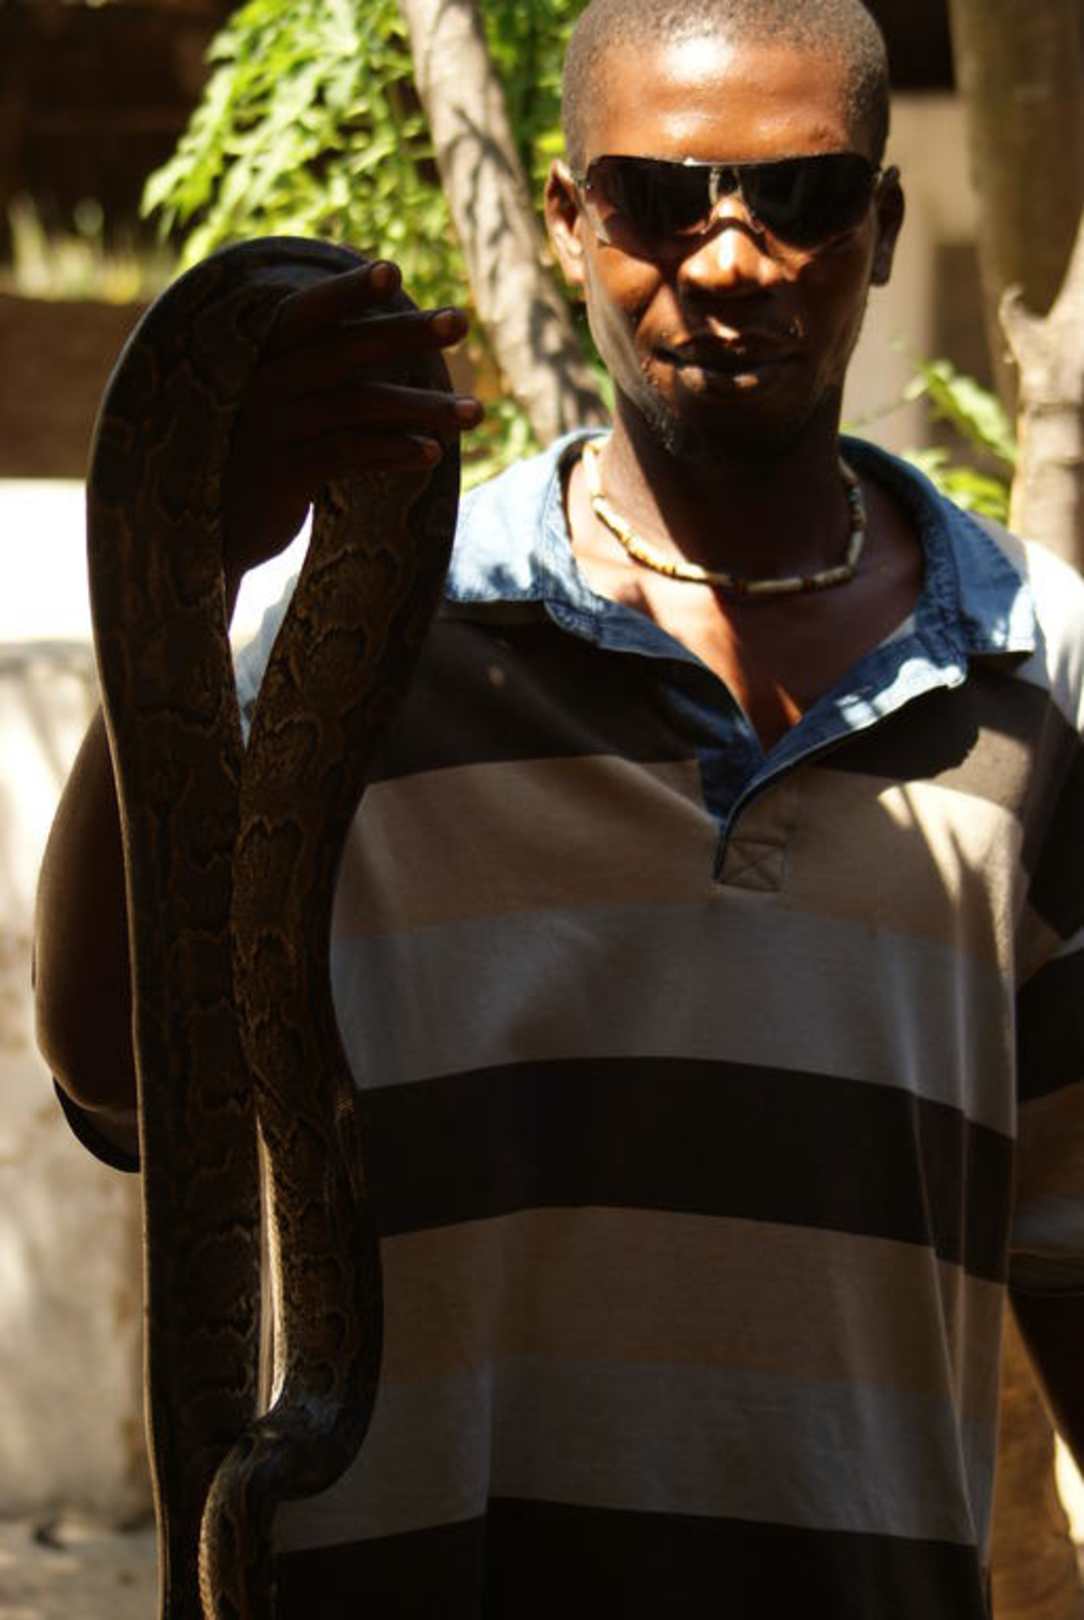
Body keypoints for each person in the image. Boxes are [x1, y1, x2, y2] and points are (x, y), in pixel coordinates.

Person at [35, 0, 1084, 1614]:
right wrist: (180, 587)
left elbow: (1070, 1246)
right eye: (659, 199)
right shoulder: (368, 644)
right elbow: (118, 1074)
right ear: (565, 215)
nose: (729, 261)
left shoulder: (1038, 667)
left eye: (801, 199)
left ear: (881, 225)